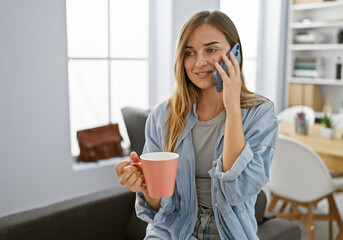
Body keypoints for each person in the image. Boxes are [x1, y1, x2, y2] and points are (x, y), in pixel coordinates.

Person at [115, 10, 278, 240]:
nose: (200, 62)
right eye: (189, 52)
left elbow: (236, 190)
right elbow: (157, 207)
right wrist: (143, 185)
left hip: (228, 233)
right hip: (171, 230)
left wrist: (232, 108)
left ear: (235, 53)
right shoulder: (163, 115)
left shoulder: (260, 114)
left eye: (211, 50)